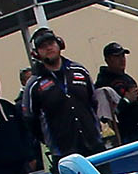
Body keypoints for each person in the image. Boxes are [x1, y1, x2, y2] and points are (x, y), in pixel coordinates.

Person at [21, 28, 103, 160]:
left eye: (51, 43)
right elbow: (30, 120)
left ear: (59, 44)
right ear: (36, 53)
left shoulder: (79, 71)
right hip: (63, 153)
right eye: (43, 46)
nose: (48, 48)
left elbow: (93, 101)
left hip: (94, 145)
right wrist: (49, 141)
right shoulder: (34, 84)